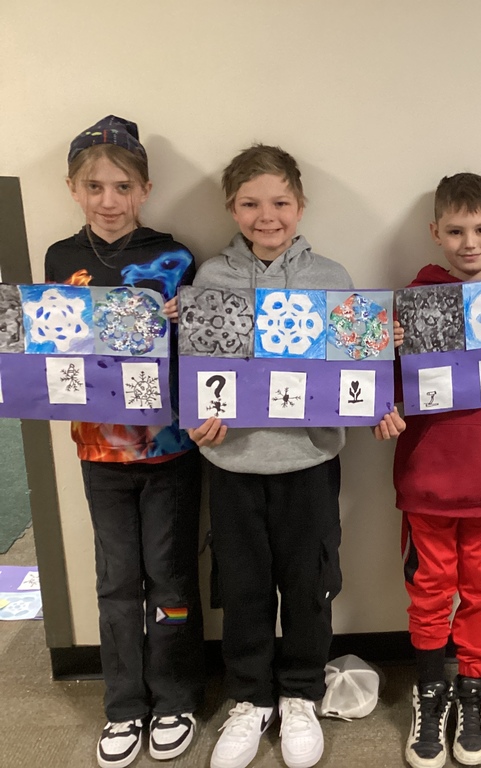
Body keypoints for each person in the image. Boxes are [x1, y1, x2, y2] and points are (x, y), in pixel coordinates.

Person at [188, 144, 405, 768]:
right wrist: (199, 419)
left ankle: (302, 693)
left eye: (280, 202)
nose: (266, 216)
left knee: (309, 585)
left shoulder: (330, 278)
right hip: (233, 465)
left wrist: (377, 400)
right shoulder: (212, 279)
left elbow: (352, 370)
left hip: (309, 464)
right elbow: (200, 373)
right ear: (232, 208)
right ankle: (250, 698)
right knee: (245, 587)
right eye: (251, 204)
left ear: (300, 205)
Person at [44, 115, 203, 767]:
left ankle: (175, 698)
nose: (108, 200)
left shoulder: (175, 255)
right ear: (73, 189)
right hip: (97, 450)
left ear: (144, 190)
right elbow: (52, 349)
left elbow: (202, 351)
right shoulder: (60, 258)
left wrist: (177, 317)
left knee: (169, 575)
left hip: (169, 447)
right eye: (94, 186)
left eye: (121, 187)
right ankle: (124, 705)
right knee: (115, 579)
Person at [394, 172, 481, 768]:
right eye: (455, 231)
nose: (469, 242)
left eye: (480, 229)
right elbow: (375, 386)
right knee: (428, 588)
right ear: (435, 233)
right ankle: (431, 689)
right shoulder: (412, 300)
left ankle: (473, 689)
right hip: (427, 478)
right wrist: (386, 351)